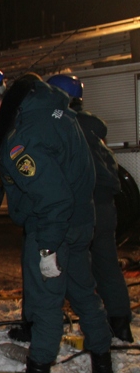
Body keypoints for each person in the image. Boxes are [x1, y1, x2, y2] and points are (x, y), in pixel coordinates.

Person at [0, 63, 116, 373]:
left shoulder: (22, 139)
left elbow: (53, 199)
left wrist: (47, 251)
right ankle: (104, 371)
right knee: (84, 294)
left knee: (45, 306)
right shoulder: (50, 107)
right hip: (80, 221)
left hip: (52, 229)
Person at [48, 73, 133, 343]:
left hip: (81, 204)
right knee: (107, 263)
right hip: (105, 205)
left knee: (71, 267)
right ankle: (121, 323)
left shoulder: (61, 123)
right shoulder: (91, 126)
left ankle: (53, 326)